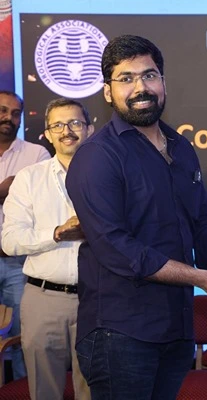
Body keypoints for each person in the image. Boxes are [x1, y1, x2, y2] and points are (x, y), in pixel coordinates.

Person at [65, 34, 207, 400]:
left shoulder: (181, 148)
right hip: (121, 333)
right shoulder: (97, 156)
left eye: (149, 76)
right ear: (108, 92)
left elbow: (200, 221)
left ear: (163, 83)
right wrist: (202, 278)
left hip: (176, 329)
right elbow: (116, 248)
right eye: (126, 78)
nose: (141, 87)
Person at [2, 97, 93, 399]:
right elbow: (10, 240)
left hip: (98, 298)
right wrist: (56, 234)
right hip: (42, 298)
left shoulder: (111, 175)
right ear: (48, 134)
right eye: (58, 125)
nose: (67, 131)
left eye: (75, 123)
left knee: (94, 389)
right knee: (44, 391)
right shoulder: (29, 179)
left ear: (90, 129)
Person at [0, 90, 50, 380]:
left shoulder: (37, 155)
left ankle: (22, 392)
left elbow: (40, 206)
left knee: (23, 337)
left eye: (15, 113)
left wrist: (13, 190)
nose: (9, 117)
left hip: (19, 262)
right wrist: (4, 190)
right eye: (3, 110)